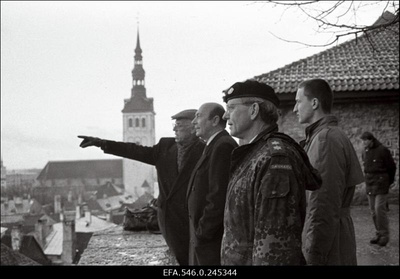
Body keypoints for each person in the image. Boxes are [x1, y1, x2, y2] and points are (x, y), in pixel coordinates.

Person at [78, 109, 205, 265]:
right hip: (169, 223)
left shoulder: (205, 150)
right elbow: (135, 150)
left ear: (193, 128)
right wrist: (102, 143)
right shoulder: (165, 147)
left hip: (193, 223)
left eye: (179, 125)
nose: (174, 129)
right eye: (174, 125)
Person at [220, 80, 322, 265]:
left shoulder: (274, 160)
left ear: (254, 111)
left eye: (232, 108)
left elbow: (275, 248)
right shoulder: (255, 154)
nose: (225, 115)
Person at [293, 78, 365, 265]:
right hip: (334, 236)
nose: (294, 109)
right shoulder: (325, 135)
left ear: (314, 103)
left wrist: (313, 253)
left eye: (299, 101)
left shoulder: (325, 139)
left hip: (329, 243)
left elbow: (322, 205)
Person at [187, 102, 238, 265]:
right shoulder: (214, 145)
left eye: (199, 116)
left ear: (215, 120)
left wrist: (202, 233)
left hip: (211, 242)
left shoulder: (222, 146)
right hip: (206, 239)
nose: (194, 122)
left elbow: (218, 196)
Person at [360, 131, 396, 247]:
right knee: (373, 211)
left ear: (371, 140)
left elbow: (392, 167)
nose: (364, 143)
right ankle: (379, 233)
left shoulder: (382, 150)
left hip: (381, 183)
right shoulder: (365, 152)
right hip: (370, 183)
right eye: (363, 140)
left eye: (366, 140)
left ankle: (385, 235)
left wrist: (388, 182)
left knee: (379, 208)